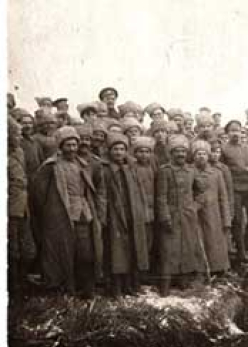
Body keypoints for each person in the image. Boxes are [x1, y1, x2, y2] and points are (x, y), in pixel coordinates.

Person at [32, 126, 102, 298]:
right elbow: (38, 194)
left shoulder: (82, 164)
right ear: (61, 146)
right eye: (68, 145)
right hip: (60, 216)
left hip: (83, 214)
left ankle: (85, 290)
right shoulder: (51, 166)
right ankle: (65, 290)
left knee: (85, 254)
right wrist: (52, 211)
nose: (72, 149)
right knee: (63, 254)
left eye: (74, 145)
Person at [97, 133, 150, 297]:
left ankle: (130, 285)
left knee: (133, 249)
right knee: (116, 252)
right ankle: (115, 288)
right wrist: (102, 215)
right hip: (114, 215)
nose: (119, 153)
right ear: (109, 151)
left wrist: (142, 211)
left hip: (132, 213)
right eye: (115, 149)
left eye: (122, 149)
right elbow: (101, 194)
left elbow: (139, 191)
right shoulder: (104, 169)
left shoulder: (131, 168)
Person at [156, 135, 206, 295]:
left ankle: (183, 280)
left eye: (183, 151)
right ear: (171, 153)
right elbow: (161, 196)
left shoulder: (191, 171)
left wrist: (194, 207)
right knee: (168, 249)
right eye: (177, 151)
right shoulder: (165, 171)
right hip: (170, 215)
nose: (180, 154)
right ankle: (165, 284)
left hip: (187, 216)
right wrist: (164, 216)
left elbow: (201, 192)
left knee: (186, 248)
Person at [222, 120, 248, 261]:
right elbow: (221, 169)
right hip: (234, 189)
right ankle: (240, 250)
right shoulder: (224, 149)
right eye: (232, 130)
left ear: (241, 132)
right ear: (227, 133)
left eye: (237, 130)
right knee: (237, 221)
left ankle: (247, 244)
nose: (235, 133)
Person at [192, 140, 232, 276]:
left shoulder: (216, 173)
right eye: (198, 154)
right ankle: (201, 271)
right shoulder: (190, 172)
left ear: (208, 156)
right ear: (194, 156)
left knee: (215, 242)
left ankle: (218, 270)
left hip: (214, 214)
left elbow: (223, 197)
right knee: (199, 241)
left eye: (204, 153)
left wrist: (226, 219)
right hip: (197, 214)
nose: (201, 156)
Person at [7, 117, 36, 303]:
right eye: (15, 134)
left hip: (23, 206)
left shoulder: (19, 152)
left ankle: (22, 283)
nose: (19, 137)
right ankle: (14, 288)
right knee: (12, 250)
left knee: (28, 249)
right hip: (9, 210)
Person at [132, 136, 157, 273]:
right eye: (140, 151)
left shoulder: (152, 168)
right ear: (135, 153)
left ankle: (147, 271)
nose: (144, 154)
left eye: (147, 151)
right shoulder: (132, 168)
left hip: (152, 209)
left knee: (150, 240)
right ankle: (139, 271)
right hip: (138, 209)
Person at [14, 108, 44, 179]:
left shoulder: (35, 142)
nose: (28, 126)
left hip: (35, 179)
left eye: (30, 123)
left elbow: (41, 161)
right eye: (24, 123)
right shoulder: (16, 142)